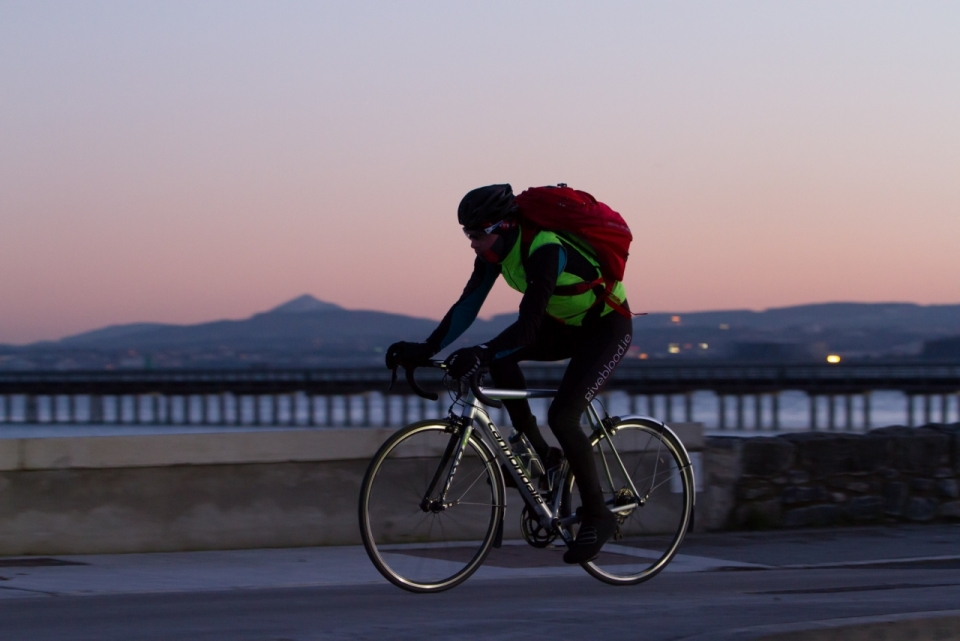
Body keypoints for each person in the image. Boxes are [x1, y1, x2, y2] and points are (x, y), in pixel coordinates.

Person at [385, 183, 633, 564]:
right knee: (500, 359)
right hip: (562, 328)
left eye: (476, 234)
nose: (472, 243)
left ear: (502, 226)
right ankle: (543, 456)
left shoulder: (544, 247)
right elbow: (466, 307)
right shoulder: (493, 257)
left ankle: (597, 515)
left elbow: (528, 326)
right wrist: (426, 349)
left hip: (605, 327)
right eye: (467, 235)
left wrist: (482, 351)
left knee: (564, 417)